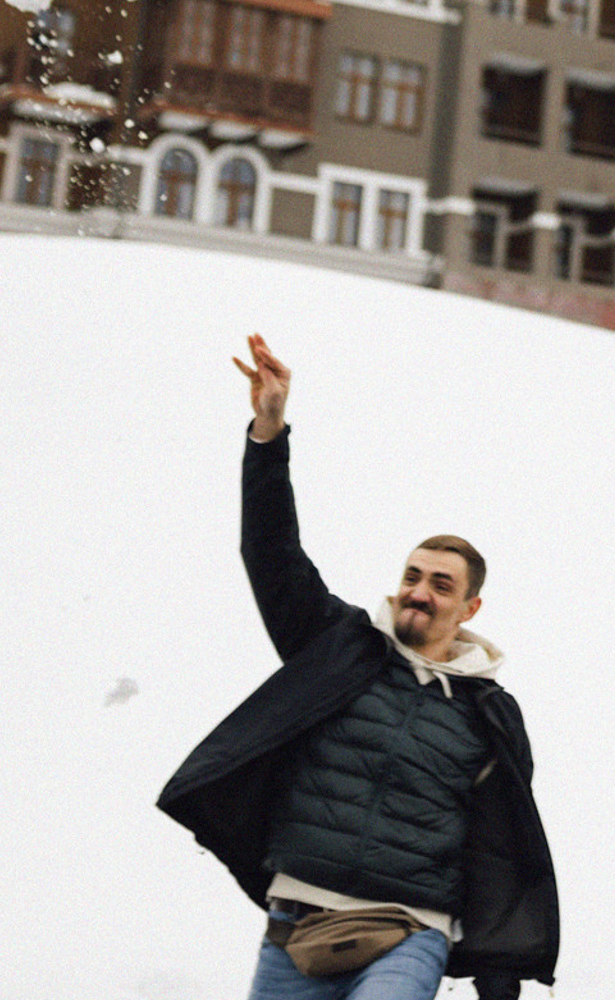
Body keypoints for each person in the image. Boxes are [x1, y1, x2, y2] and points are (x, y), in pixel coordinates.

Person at [158, 335, 560, 1000]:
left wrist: (499, 977)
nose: (418, 591)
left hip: (411, 930)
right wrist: (268, 433)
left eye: (439, 584)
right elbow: (271, 552)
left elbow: (498, 844)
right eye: (412, 575)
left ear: (468, 607)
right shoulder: (340, 646)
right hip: (298, 925)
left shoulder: (487, 713)